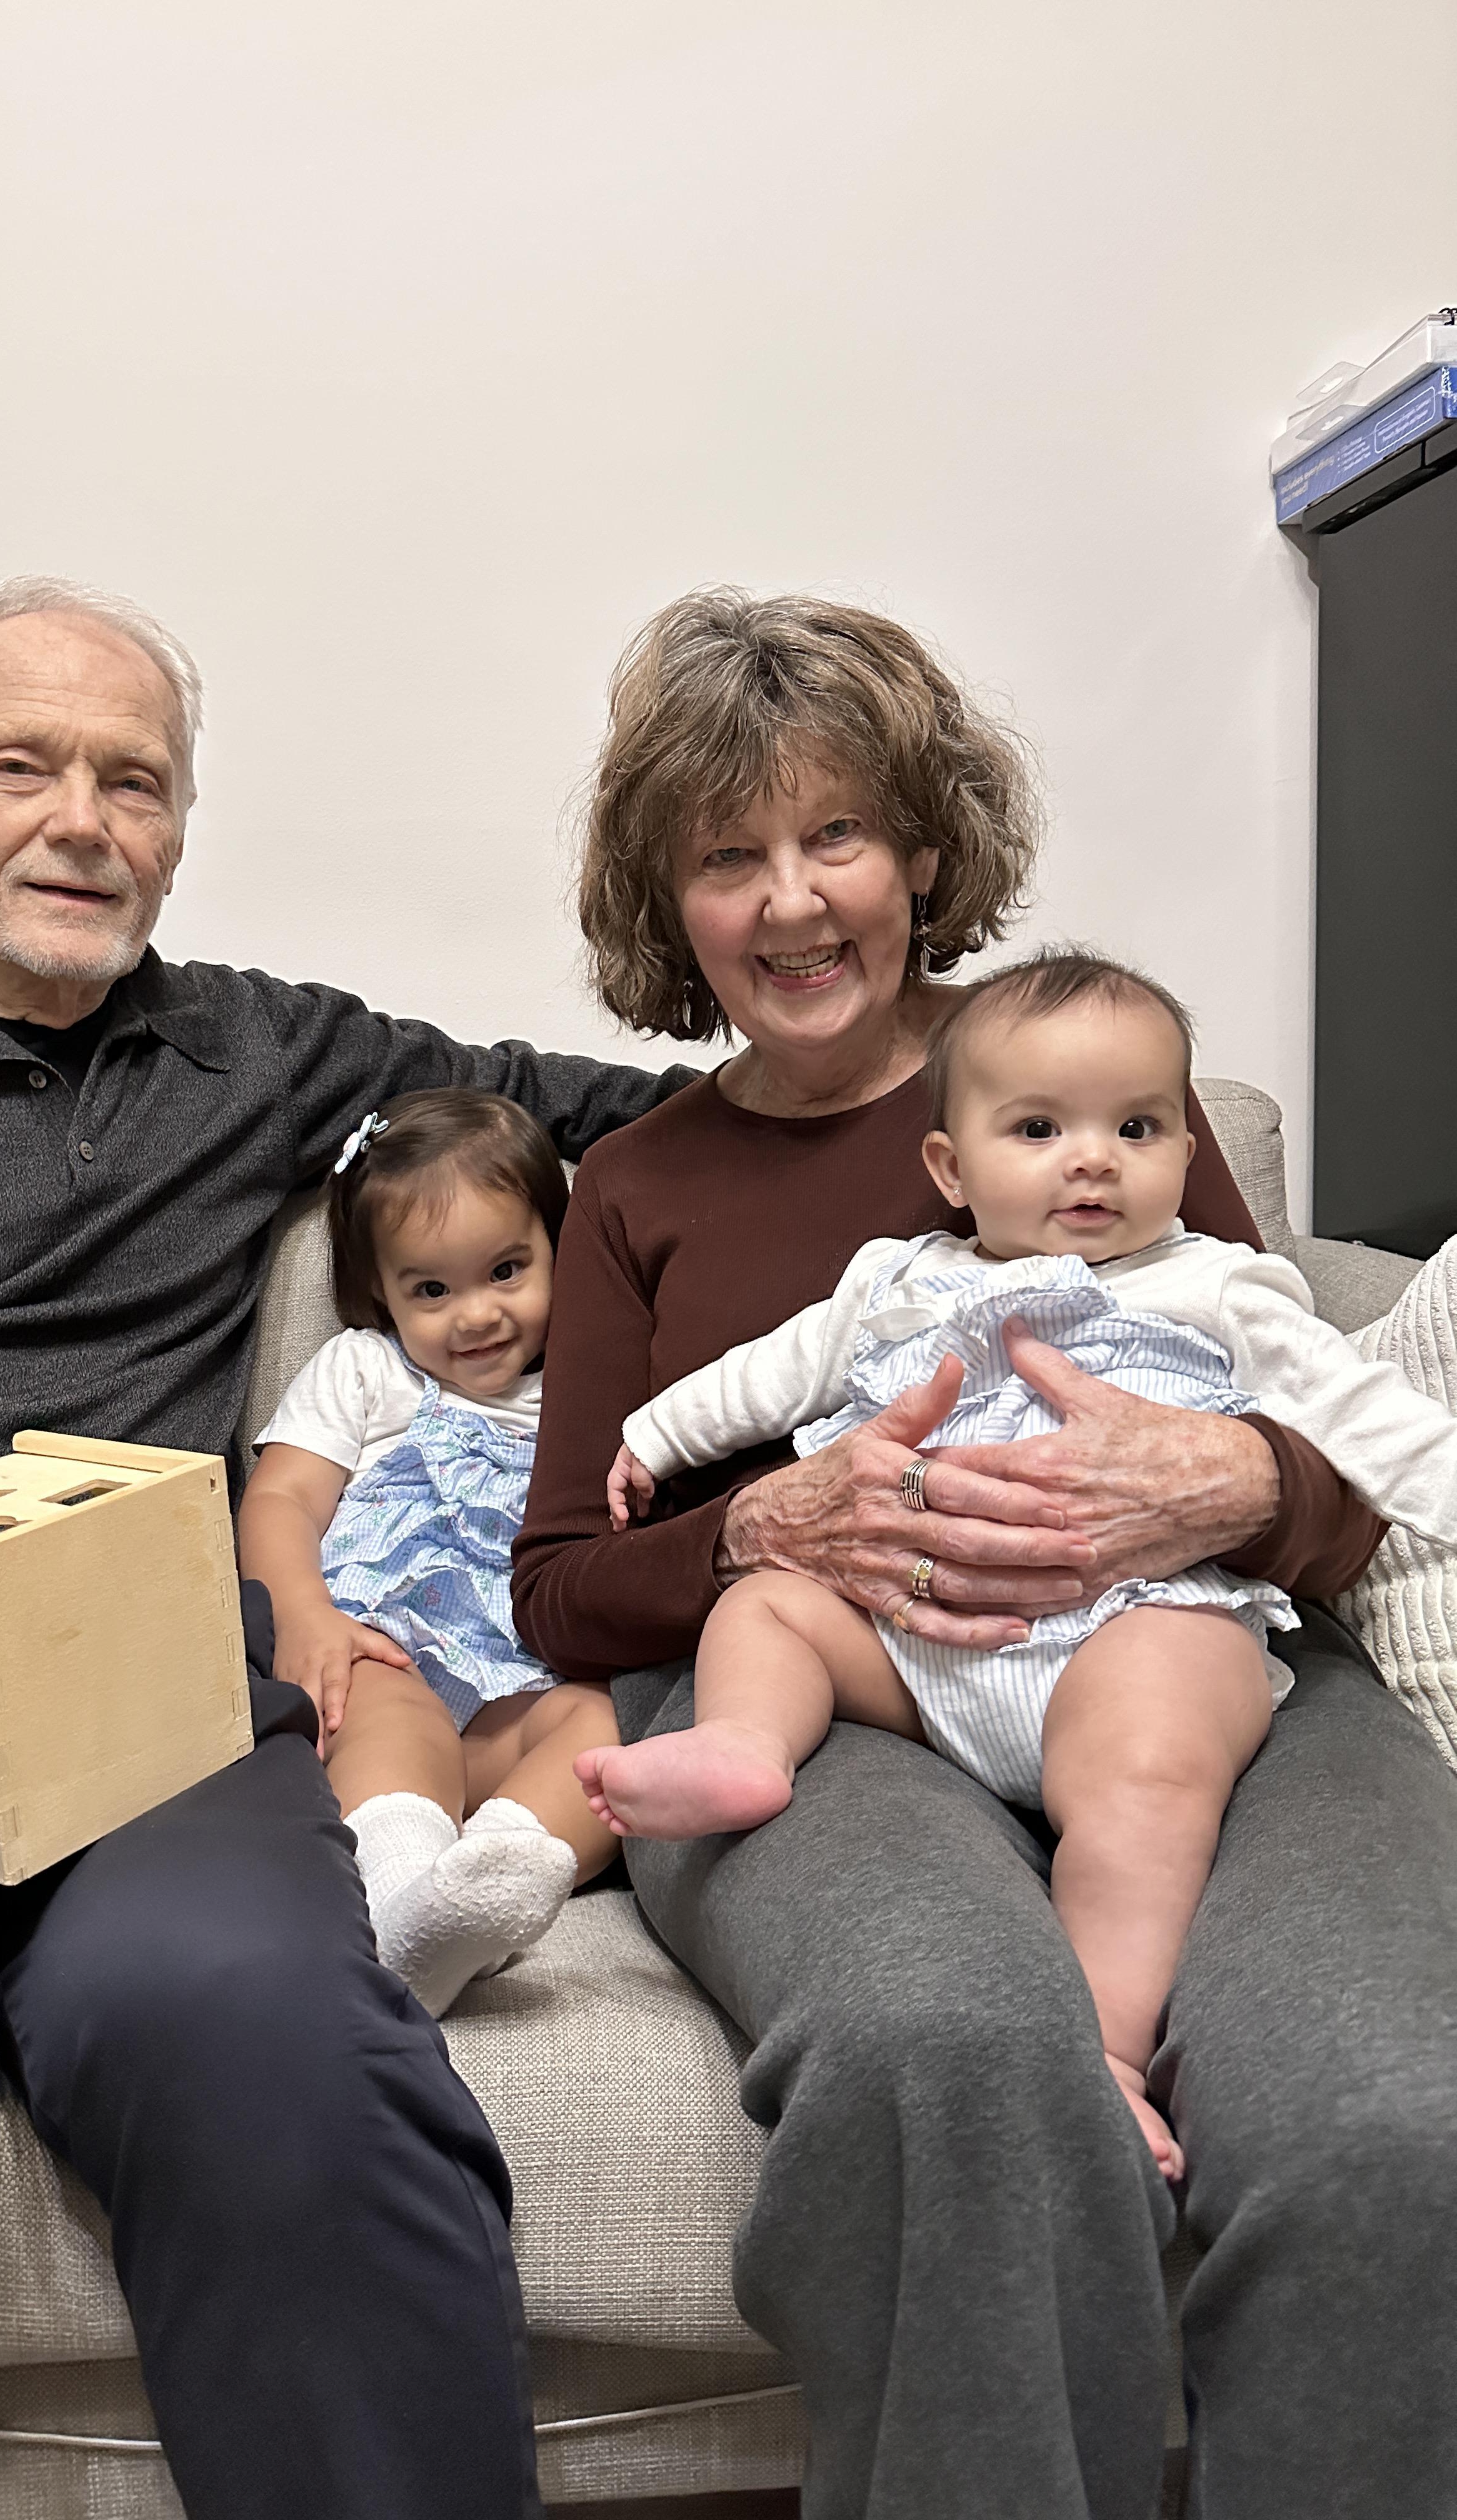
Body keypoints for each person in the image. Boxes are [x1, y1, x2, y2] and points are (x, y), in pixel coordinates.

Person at [0, 574, 694, 2520]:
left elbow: (624, 1121)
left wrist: (980, 1092)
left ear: (178, 829)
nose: (83, 821)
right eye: (22, 766)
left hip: (154, 1733)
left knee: (282, 2059)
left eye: (135, 780)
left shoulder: (260, 1052)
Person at [511, 586, 1457, 2520]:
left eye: (837, 834)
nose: (793, 901)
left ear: (925, 855)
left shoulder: (1097, 1087)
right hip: (847, 1688)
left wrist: (1229, 1484)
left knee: (1390, 2097)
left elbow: (1326, 1449)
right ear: (665, 901)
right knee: (949, 2060)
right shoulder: (635, 1184)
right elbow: (556, 1582)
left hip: (1195, 1649)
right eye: (728, 856)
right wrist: (757, 1523)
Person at [581, 949, 1457, 2178]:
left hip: (1131, 1625)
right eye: (1040, 1130)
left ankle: (1104, 2048)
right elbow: (773, 1372)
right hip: (922, 1651)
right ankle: (744, 1743)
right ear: (952, 1167)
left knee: (1149, 1773)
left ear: (1186, 1153)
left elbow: (1363, 1417)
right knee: (773, 1604)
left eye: (1135, 1128)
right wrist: (655, 1436)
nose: (1092, 1160)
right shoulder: (900, 1281)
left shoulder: (1223, 1287)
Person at [240, 1087, 618, 2016]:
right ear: (383, 1293)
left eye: (506, 1271)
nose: (476, 1315)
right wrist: (306, 1617)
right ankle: (405, 1892)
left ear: (560, 1247)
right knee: (385, 1706)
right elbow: (281, 1498)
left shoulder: (590, 1389)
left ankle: (493, 1880)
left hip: (514, 1696)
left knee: (606, 1724)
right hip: (381, 1661)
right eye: (432, 1291)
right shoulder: (366, 1369)